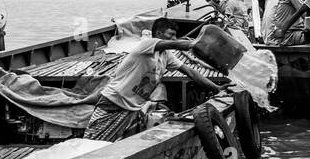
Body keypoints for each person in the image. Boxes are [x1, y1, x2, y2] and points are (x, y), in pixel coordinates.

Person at [85, 18, 224, 141]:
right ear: (158, 34)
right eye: (171, 35)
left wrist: (216, 88)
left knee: (116, 144)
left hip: (132, 108)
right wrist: (195, 44)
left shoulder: (166, 55)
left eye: (176, 35)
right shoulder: (147, 44)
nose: (175, 39)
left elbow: (191, 72)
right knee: (92, 143)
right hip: (113, 102)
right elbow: (176, 45)